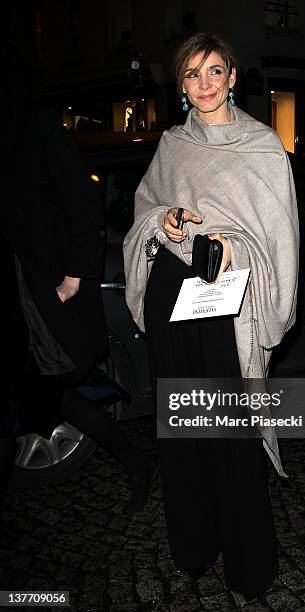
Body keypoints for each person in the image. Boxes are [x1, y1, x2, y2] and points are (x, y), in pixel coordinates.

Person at [123, 32, 299, 600]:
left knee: (229, 432)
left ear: (232, 77)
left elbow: (279, 239)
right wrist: (163, 221)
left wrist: (231, 246)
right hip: (172, 296)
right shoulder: (172, 144)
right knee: (183, 430)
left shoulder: (262, 146)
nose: (204, 84)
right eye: (192, 74)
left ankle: (250, 563)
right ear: (181, 84)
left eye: (215, 71)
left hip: (229, 305)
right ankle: (193, 544)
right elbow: (145, 206)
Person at [0, 45, 151, 513]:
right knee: (52, 397)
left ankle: (136, 461)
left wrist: (73, 279)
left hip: (35, 298)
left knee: (43, 394)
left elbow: (81, 208)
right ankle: (136, 460)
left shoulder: (37, 130)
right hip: (17, 292)